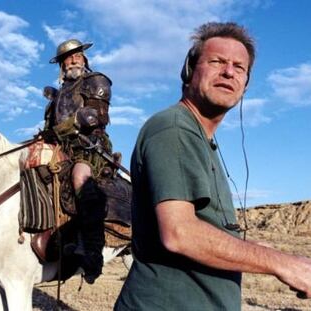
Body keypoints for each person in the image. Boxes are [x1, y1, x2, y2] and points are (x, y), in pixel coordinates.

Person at [115, 22, 311, 310]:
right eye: (216, 61)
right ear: (190, 71)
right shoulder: (173, 129)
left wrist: (276, 255)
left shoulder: (200, 138)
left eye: (239, 67)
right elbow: (180, 232)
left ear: (246, 83)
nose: (229, 72)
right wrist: (282, 265)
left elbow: (209, 230)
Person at [41, 39, 113, 284]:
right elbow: (49, 127)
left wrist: (60, 130)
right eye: (68, 58)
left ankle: (92, 252)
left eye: (77, 55)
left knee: (80, 176)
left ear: (84, 59)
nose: (73, 60)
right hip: (62, 148)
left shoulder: (96, 81)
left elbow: (94, 117)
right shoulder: (57, 95)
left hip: (90, 147)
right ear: (61, 64)